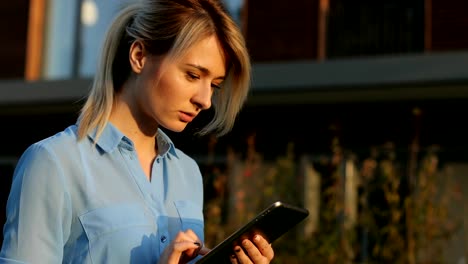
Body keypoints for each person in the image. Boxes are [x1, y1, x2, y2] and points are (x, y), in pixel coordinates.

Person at [0, 0, 275, 263]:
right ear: (139, 56)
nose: (205, 100)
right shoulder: (53, 162)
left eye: (214, 85)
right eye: (192, 75)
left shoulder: (188, 173)